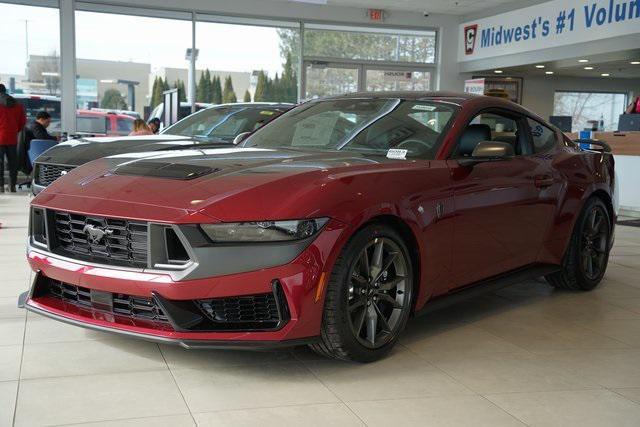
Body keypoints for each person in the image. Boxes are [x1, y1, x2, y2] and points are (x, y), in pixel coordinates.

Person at [0, 84, 26, 193]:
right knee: (13, 163)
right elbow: (22, 122)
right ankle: (12, 186)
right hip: (12, 138)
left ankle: (0, 186)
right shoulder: (18, 105)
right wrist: (14, 131)